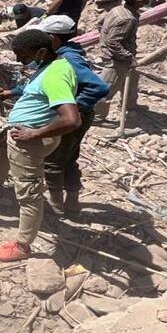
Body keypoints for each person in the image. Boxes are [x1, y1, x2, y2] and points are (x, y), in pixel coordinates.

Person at [0, 29, 81, 262]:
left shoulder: (55, 76)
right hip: (23, 136)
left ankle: (22, 246)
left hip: (30, 143)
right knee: (1, 150)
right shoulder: (53, 66)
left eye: (22, 55)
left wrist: (34, 134)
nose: (18, 60)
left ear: (41, 51)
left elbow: (71, 119)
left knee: (29, 193)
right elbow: (34, 88)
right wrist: (11, 92)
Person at [36, 15, 110, 213]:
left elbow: (99, 87)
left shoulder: (68, 59)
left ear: (54, 38)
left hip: (74, 117)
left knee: (53, 160)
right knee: (69, 158)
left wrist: (73, 107)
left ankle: (56, 205)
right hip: (80, 116)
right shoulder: (69, 52)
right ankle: (72, 201)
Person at [93, 0, 154, 124]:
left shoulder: (117, 9)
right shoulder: (127, 18)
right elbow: (113, 42)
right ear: (139, 1)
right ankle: (96, 117)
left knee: (132, 82)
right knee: (107, 88)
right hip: (116, 59)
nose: (149, 0)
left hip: (122, 56)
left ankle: (130, 106)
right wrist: (127, 56)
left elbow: (100, 24)